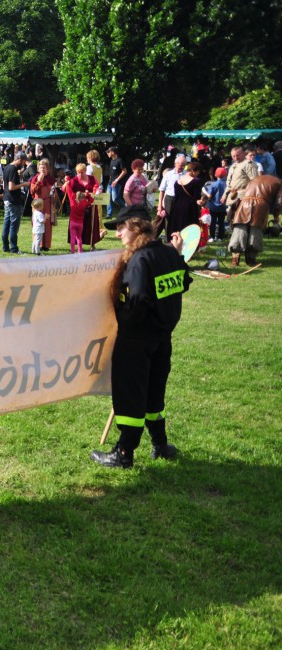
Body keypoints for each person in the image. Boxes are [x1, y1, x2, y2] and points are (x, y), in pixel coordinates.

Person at [91, 205, 191, 468]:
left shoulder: (139, 260)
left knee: (131, 395)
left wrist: (120, 326)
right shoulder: (169, 254)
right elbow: (185, 282)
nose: (118, 234)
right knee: (154, 394)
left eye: (121, 227)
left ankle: (124, 453)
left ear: (136, 226)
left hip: (136, 339)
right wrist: (178, 256)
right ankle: (160, 444)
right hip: (162, 339)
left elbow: (136, 302)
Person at [228, 174, 282, 267]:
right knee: (255, 233)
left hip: (243, 204)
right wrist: (276, 217)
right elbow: (279, 202)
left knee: (239, 231)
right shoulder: (279, 183)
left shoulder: (254, 179)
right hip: (260, 207)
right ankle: (251, 259)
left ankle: (235, 258)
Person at [166, 162, 206, 238]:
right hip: (189, 208)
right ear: (193, 171)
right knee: (189, 228)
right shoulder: (196, 182)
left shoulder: (177, 182)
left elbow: (177, 196)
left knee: (178, 227)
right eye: (198, 172)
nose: (198, 174)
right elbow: (196, 197)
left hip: (177, 207)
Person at [1, 152, 28, 254]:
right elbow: (12, 187)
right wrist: (23, 184)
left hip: (7, 199)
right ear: (20, 159)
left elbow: (5, 186)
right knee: (14, 225)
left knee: (6, 223)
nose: (23, 164)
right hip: (13, 200)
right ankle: (14, 248)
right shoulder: (13, 169)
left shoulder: (7, 167)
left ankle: (5, 247)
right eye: (23, 162)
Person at [28, 159, 57, 251]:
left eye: (44, 168)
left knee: (47, 223)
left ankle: (46, 245)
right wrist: (38, 182)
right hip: (37, 204)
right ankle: (37, 244)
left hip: (48, 203)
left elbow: (54, 191)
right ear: (38, 169)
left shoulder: (51, 179)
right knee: (37, 223)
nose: (42, 170)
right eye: (41, 168)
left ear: (47, 169)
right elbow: (32, 191)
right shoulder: (35, 178)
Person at [67, 164, 95, 254]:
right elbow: (91, 200)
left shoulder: (72, 201)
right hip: (80, 223)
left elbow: (69, 190)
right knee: (79, 237)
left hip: (73, 222)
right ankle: (80, 250)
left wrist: (68, 181)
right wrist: (87, 194)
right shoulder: (84, 203)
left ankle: (72, 251)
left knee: (72, 237)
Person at [203, 167, 228, 242]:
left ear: (215, 175)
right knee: (221, 222)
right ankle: (220, 237)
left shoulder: (214, 185)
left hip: (213, 206)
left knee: (212, 222)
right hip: (223, 207)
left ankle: (212, 237)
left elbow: (210, 196)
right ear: (225, 175)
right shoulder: (227, 185)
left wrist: (205, 192)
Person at [107, 147, 127, 217]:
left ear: (113, 152)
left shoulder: (119, 160)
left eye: (108, 152)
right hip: (110, 183)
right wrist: (110, 178)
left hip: (117, 183)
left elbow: (124, 171)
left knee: (115, 198)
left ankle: (126, 208)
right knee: (108, 198)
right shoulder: (111, 161)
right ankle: (109, 214)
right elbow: (112, 172)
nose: (107, 153)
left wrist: (116, 180)